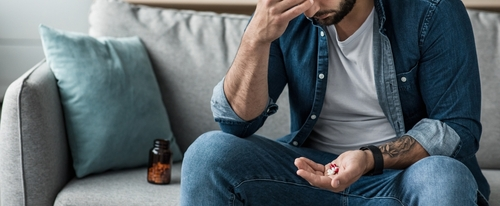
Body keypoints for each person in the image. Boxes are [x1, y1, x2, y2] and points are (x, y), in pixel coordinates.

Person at [180, 0, 490, 205]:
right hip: (310, 175)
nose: (311, 7)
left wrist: (367, 159)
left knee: (444, 177)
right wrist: (255, 40)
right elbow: (235, 123)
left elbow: (456, 128)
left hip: (403, 177)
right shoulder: (288, 13)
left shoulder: (431, 9)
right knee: (208, 153)